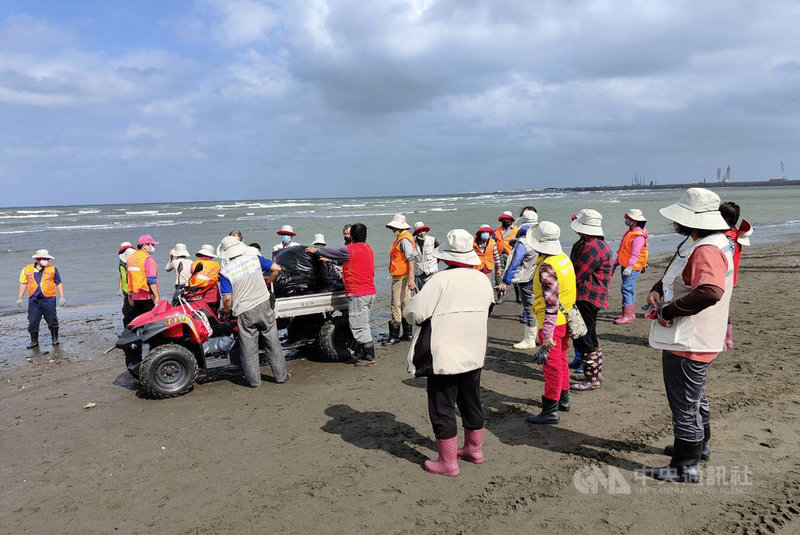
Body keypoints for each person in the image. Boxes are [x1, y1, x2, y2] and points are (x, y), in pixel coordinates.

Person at [646, 188, 734, 483]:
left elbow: (710, 291)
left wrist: (669, 312)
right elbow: (679, 272)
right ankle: (698, 448)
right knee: (696, 398)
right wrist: (658, 288)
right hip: (702, 337)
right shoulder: (712, 242)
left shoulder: (706, 249)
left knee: (685, 403)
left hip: (690, 339)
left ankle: (685, 464)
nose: (675, 223)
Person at [404, 229, 494, 477]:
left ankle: (447, 462)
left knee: (442, 406)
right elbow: (489, 307)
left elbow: (414, 313)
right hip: (473, 350)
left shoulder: (439, 280)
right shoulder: (482, 280)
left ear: (446, 256)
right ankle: (474, 449)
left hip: (444, 353)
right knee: (471, 401)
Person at [217, 235, 289, 387]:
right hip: (264, 304)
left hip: (245, 310)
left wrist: (226, 311)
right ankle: (281, 376)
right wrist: (268, 281)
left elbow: (228, 299)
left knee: (249, 348)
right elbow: (277, 268)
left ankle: (254, 381)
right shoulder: (254, 258)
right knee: (272, 341)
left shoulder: (225, 272)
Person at [525, 222, 576, 425]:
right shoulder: (564, 259)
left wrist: (546, 335)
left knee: (551, 365)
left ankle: (550, 409)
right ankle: (563, 399)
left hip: (551, 323)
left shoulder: (547, 266)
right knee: (561, 359)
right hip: (565, 319)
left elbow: (551, 303)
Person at [307, 222, 377, 366]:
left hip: (358, 293)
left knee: (358, 325)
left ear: (351, 236)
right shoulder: (367, 248)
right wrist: (331, 258)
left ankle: (369, 357)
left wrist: (316, 251)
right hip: (369, 291)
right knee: (363, 322)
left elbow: (331, 251)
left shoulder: (349, 249)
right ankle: (365, 353)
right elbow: (346, 259)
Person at [568, 209, 613, 392]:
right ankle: (593, 373)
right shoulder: (600, 245)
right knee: (590, 335)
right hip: (594, 297)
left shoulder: (591, 247)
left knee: (584, 337)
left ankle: (591, 378)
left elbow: (577, 273)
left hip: (587, 297)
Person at [498, 210, 539, 349]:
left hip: (526, 278)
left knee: (529, 308)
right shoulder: (540, 237)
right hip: (540, 276)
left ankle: (530, 339)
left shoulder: (523, 242)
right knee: (540, 307)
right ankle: (540, 335)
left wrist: (505, 281)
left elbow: (515, 262)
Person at [719, 201, 752, 349]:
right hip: (729, 278)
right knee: (722, 308)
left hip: (723, 278)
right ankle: (728, 340)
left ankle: (725, 340)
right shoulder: (736, 233)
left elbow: (724, 256)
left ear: (725, 219)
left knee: (720, 309)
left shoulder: (727, 237)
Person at [17, 249, 66, 348]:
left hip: (49, 299)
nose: (46, 260)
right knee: (33, 320)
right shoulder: (27, 269)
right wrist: (20, 297)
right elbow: (23, 283)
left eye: (47, 259)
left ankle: (55, 339)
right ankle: (34, 341)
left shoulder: (52, 269)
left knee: (52, 319)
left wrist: (62, 296)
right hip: (34, 300)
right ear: (38, 259)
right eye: (44, 259)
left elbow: (58, 283)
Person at [383, 214, 415, 345]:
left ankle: (394, 336)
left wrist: (411, 278)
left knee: (395, 305)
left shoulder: (403, 240)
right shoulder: (403, 238)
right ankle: (407, 334)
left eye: (393, 227)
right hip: (403, 277)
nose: (392, 229)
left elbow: (410, 259)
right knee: (404, 304)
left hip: (401, 278)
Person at [613, 209, 648, 324]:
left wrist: (630, 267)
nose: (626, 220)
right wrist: (616, 262)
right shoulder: (630, 232)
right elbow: (623, 249)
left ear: (634, 221)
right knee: (629, 288)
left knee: (626, 289)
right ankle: (629, 314)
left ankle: (628, 315)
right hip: (626, 264)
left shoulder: (638, 236)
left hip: (632, 267)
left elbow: (635, 253)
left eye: (627, 218)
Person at [127, 235, 160, 322]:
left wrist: (129, 294)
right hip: (146, 296)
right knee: (149, 321)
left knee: (138, 321)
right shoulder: (148, 259)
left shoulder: (130, 258)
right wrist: (157, 297)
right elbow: (151, 279)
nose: (152, 247)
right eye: (151, 245)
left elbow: (129, 277)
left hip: (134, 296)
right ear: (144, 245)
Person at [494, 211, 518, 302]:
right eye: (504, 219)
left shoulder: (516, 230)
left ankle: (518, 296)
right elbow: (493, 242)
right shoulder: (497, 230)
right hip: (499, 255)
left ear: (511, 220)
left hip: (511, 254)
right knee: (498, 276)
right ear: (501, 220)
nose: (506, 220)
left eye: (508, 219)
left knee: (515, 274)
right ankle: (500, 297)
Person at [189, 244, 221, 313]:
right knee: (213, 316)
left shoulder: (194, 264)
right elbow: (219, 278)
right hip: (213, 296)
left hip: (198, 295)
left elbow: (193, 277)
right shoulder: (216, 265)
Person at [412, 221, 439, 290]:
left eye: (423, 231)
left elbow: (439, 254)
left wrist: (434, 263)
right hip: (419, 274)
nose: (422, 233)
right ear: (416, 233)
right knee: (420, 295)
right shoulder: (413, 243)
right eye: (419, 231)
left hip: (432, 273)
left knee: (433, 293)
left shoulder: (433, 240)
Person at [118, 242, 136, 326]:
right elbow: (122, 276)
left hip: (130, 290)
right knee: (127, 310)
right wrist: (120, 288)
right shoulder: (121, 263)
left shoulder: (125, 262)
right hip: (126, 290)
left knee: (129, 311)